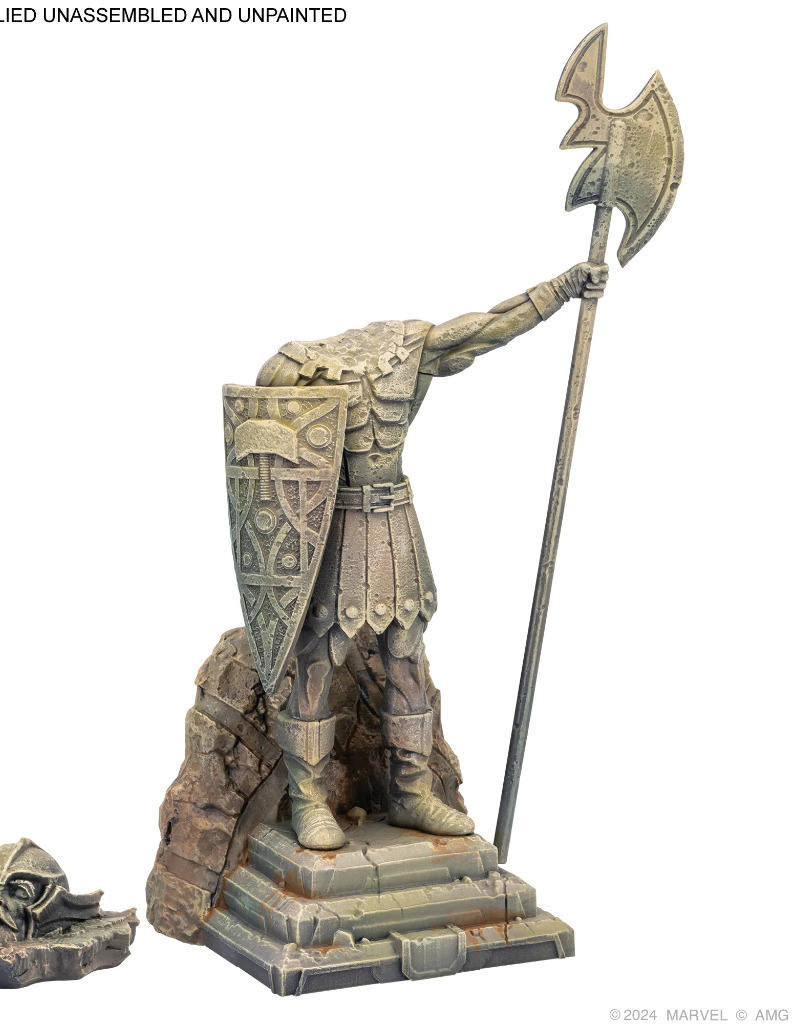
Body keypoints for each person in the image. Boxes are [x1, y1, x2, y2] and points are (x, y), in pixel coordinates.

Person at [252, 261, 608, 849]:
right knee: (317, 659)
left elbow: (487, 328)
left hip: (396, 524)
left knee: (407, 659)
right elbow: (264, 445)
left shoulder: (410, 349)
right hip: (332, 527)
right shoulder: (295, 369)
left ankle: (412, 793)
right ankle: (308, 800)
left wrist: (562, 289)